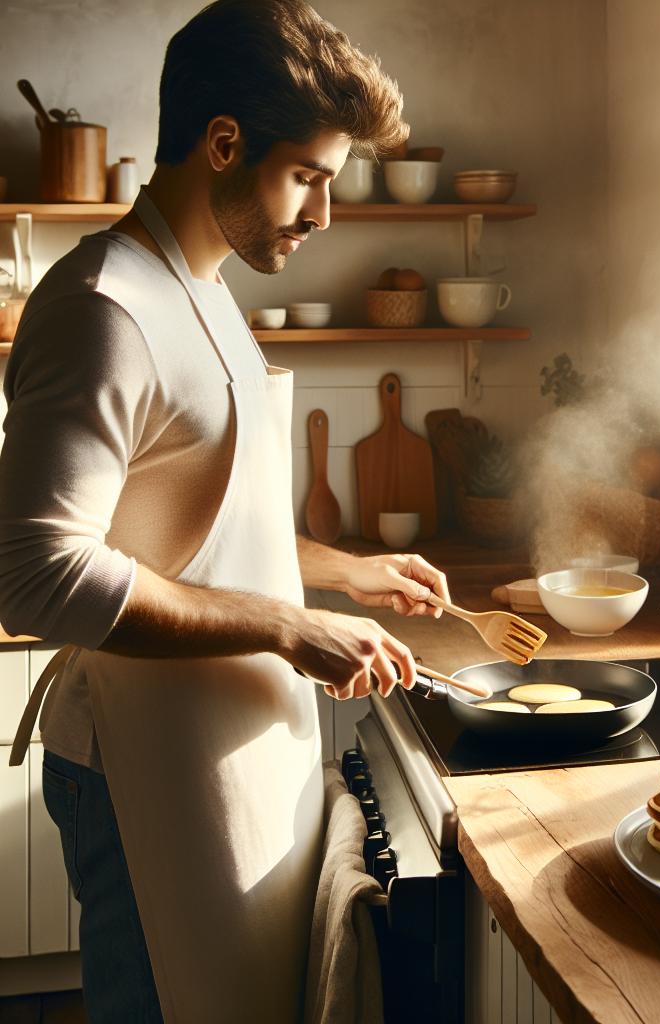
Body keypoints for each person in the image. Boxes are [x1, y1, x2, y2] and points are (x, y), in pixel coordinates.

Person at [0, 2, 445, 1020]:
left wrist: (335, 570)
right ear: (224, 144)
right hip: (141, 768)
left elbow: (188, 526)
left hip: (220, 755)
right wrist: (288, 624)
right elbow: (36, 574)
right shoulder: (101, 307)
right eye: (310, 179)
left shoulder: (200, 286)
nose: (321, 215)